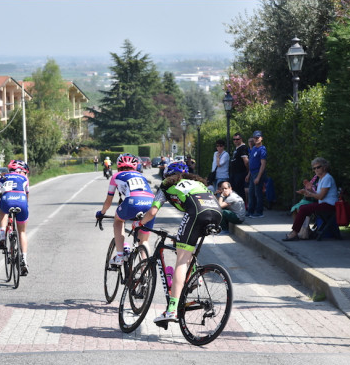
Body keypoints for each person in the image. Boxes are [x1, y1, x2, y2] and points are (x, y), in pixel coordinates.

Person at [132, 161, 223, 324]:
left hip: (197, 212)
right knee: (182, 244)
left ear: (167, 175)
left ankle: (172, 310)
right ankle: (195, 276)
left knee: (181, 260)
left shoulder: (166, 185)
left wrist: (139, 223)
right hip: (216, 211)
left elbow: (152, 211)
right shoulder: (196, 182)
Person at [96, 153, 155, 266]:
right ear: (135, 166)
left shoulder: (116, 176)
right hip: (150, 203)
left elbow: (108, 202)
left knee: (118, 220)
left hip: (133, 201)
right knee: (144, 241)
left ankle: (120, 256)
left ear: (118, 166)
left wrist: (101, 213)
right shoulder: (141, 175)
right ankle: (146, 275)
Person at [0, 159, 30, 275]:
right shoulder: (24, 179)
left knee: (3, 211)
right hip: (22, 202)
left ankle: (2, 235)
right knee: (22, 232)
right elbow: (27, 196)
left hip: (7, 201)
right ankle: (24, 259)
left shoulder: (3, 177)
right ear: (22, 171)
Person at [282, 157, 338, 241]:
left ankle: (294, 233)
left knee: (304, 208)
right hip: (323, 204)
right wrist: (309, 191)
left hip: (329, 206)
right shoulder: (321, 178)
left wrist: (310, 194)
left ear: (324, 167)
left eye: (318, 167)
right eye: (314, 168)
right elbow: (318, 195)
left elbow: (321, 196)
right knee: (302, 207)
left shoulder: (327, 178)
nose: (316, 170)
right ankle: (304, 232)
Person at [247, 130, 267, 218]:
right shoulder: (254, 148)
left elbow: (263, 164)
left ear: (261, 138)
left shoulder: (262, 149)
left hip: (257, 173)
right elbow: (251, 162)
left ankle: (259, 212)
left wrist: (258, 177)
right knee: (251, 193)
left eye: (258, 137)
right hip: (252, 173)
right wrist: (248, 175)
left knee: (258, 193)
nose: (256, 139)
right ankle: (250, 211)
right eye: (255, 138)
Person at [229, 133, 249, 204]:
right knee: (234, 190)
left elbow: (246, 161)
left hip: (240, 173)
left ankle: (242, 206)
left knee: (240, 190)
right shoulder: (236, 149)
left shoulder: (243, 148)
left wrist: (248, 172)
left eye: (237, 139)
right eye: (234, 139)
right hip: (234, 173)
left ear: (241, 139)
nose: (235, 141)